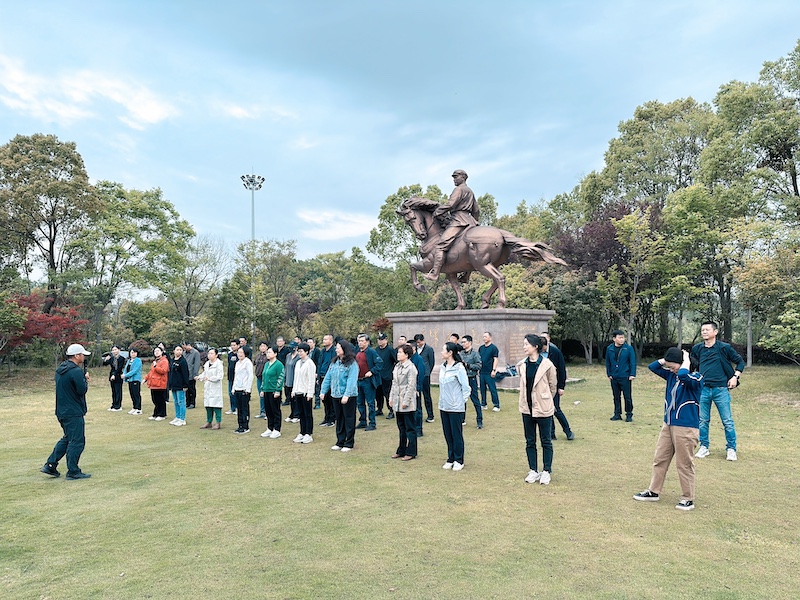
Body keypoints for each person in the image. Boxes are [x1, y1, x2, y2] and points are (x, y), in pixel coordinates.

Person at [634, 348, 703, 510]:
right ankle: (653, 491)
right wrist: (666, 360)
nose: (671, 370)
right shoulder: (672, 375)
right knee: (660, 458)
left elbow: (684, 376)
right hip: (668, 424)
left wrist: (686, 360)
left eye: (673, 366)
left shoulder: (697, 378)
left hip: (686, 428)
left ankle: (688, 498)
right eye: (669, 367)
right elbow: (653, 367)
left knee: (684, 464)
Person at [690, 321, 745, 461]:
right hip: (703, 389)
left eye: (707, 330)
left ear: (715, 332)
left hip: (721, 389)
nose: (704, 332)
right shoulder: (697, 349)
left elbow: (740, 362)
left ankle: (731, 449)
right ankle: (704, 447)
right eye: (702, 330)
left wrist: (734, 377)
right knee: (702, 420)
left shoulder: (724, 348)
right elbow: (692, 365)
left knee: (727, 421)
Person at [41, 343, 92, 480]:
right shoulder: (75, 371)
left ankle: (51, 464)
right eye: (82, 354)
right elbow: (81, 390)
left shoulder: (60, 370)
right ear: (76, 355)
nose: (83, 357)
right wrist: (85, 380)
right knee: (77, 441)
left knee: (68, 438)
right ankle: (73, 471)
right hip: (73, 411)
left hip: (62, 410)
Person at [423, 169, 480, 281]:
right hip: (470, 221)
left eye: (456, 177)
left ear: (463, 177)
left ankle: (435, 274)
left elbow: (450, 204)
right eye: (453, 177)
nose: (454, 179)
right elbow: (476, 210)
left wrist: (438, 211)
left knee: (441, 245)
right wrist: (474, 221)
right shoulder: (470, 191)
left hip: (458, 221)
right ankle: (466, 276)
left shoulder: (458, 189)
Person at [518, 334, 557, 485]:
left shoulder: (547, 364)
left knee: (546, 441)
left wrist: (544, 398)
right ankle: (533, 470)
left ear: (535, 346)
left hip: (543, 408)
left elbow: (553, 386)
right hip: (527, 408)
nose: (524, 347)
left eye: (526, 344)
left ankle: (546, 471)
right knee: (530, 441)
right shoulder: (522, 364)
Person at [320, 340, 359, 452]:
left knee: (349, 418)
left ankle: (349, 442)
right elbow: (328, 377)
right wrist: (323, 391)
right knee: (339, 418)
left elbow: (352, 380)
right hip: (335, 395)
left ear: (344, 349)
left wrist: (346, 395)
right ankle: (340, 441)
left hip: (349, 396)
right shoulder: (334, 362)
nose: (336, 349)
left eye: (338, 348)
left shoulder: (352, 363)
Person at [439, 342, 470, 470]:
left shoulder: (459, 368)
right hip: (443, 406)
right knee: (448, 433)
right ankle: (450, 458)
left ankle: (459, 459)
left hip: (456, 407)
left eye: (443, 350)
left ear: (450, 352)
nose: (441, 352)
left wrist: (459, 402)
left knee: (456, 434)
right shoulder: (442, 367)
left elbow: (466, 388)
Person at [541, 332, 574, 440]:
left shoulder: (555, 351)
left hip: (554, 386)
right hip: (543, 386)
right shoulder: (538, 353)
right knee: (547, 410)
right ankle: (551, 433)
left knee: (556, 409)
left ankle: (568, 431)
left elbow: (561, 369)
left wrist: (561, 386)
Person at [389, 344, 418, 461]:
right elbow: (394, 383)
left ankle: (411, 451)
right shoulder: (397, 366)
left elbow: (411, 386)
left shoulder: (411, 368)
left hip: (407, 402)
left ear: (406, 354)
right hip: (397, 401)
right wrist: (391, 398)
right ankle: (401, 450)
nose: (398, 354)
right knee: (401, 427)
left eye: (400, 352)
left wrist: (406, 401)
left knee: (409, 428)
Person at [606, 329, 637, 422]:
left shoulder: (628, 348)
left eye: (623, 337)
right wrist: (609, 374)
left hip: (625, 376)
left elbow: (633, 362)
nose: (622, 339)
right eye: (620, 338)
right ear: (614, 339)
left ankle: (629, 414)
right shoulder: (609, 348)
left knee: (627, 396)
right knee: (616, 396)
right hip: (614, 376)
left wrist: (632, 374)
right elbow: (608, 362)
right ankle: (617, 414)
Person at [355, 333, 383, 431]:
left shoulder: (371, 352)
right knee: (360, 402)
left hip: (368, 381)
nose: (360, 343)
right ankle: (362, 421)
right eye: (359, 341)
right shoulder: (357, 352)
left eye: (362, 341)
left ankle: (372, 423)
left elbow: (379, 363)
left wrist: (372, 371)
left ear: (367, 342)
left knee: (370, 402)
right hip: (359, 380)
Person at [291, 342, 317, 444]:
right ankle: (302, 432)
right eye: (298, 351)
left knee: (307, 413)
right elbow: (296, 378)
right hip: (298, 391)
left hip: (306, 392)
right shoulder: (298, 363)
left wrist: (310, 393)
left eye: (301, 351)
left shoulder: (310, 363)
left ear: (306, 352)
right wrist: (294, 390)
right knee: (300, 413)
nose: (299, 353)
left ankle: (308, 433)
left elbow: (311, 379)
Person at [260, 346, 285, 438]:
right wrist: (262, 389)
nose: (268, 354)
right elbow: (264, 377)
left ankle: (277, 429)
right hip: (266, 390)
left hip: (274, 391)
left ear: (275, 354)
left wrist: (278, 390)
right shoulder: (267, 364)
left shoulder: (279, 365)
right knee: (268, 410)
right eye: (267, 352)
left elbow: (281, 377)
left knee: (275, 410)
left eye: (270, 352)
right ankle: (270, 428)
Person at [459, 335, 483, 429]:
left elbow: (479, 366)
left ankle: (479, 421)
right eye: (462, 342)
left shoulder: (475, 354)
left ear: (469, 342)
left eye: (464, 342)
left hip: (471, 378)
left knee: (475, 400)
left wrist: (468, 365)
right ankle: (462, 419)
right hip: (462, 379)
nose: (463, 344)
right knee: (462, 400)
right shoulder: (461, 354)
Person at [197, 347, 224, 429]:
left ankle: (218, 422)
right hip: (208, 387)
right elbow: (205, 373)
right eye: (209, 353)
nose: (210, 355)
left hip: (215, 387)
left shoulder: (219, 364)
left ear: (216, 355)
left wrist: (210, 378)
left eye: (212, 353)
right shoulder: (207, 364)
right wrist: (199, 377)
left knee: (216, 405)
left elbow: (219, 376)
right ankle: (209, 422)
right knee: (208, 405)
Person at [414, 334, 436, 422]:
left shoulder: (429, 349)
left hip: (425, 375)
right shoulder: (415, 349)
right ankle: (418, 414)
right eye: (417, 342)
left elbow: (431, 362)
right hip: (416, 375)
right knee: (417, 395)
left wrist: (427, 372)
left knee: (427, 396)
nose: (418, 344)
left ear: (423, 341)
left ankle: (430, 415)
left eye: (419, 342)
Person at [375, 333, 397, 419]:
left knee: (388, 394)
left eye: (382, 340)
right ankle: (379, 408)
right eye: (379, 340)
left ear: (386, 340)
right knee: (378, 394)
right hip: (378, 376)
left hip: (387, 376)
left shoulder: (390, 349)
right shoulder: (376, 350)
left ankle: (391, 410)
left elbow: (396, 361)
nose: (380, 341)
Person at [232, 347, 254, 434]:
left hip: (244, 389)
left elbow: (250, 376)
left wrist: (248, 389)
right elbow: (236, 376)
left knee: (244, 408)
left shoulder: (247, 362)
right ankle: (240, 425)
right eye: (238, 352)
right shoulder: (237, 363)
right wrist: (233, 388)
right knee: (239, 408)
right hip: (237, 388)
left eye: (241, 352)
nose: (239, 354)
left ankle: (245, 426)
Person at [317, 334, 337, 427]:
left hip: (330, 378)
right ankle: (326, 417)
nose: (324, 341)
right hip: (321, 377)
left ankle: (332, 419)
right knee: (324, 398)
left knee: (330, 398)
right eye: (323, 339)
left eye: (326, 339)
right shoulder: (322, 351)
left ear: (331, 341)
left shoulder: (334, 351)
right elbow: (319, 363)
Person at [145, 346, 169, 421]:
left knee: (160, 399)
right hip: (153, 383)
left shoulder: (164, 361)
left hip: (160, 383)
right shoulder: (156, 361)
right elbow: (151, 372)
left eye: (158, 351)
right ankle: (156, 413)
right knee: (155, 399)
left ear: (162, 352)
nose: (156, 352)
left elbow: (164, 371)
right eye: (155, 351)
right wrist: (145, 379)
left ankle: (162, 414)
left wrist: (156, 366)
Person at [168, 346, 190, 426]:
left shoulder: (183, 361)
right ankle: (177, 417)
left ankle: (182, 418)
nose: (179, 351)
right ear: (174, 351)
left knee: (181, 402)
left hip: (181, 385)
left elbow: (185, 373)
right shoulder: (172, 360)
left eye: (180, 350)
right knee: (176, 402)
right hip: (174, 385)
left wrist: (185, 385)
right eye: (177, 350)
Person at [408, 344, 427, 438]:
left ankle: (419, 429)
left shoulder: (418, 359)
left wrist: (418, 388)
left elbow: (421, 373)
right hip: (408, 388)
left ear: (413, 349)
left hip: (416, 388)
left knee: (417, 409)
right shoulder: (408, 359)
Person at [479, 332, 500, 411]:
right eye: (483, 336)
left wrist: (494, 370)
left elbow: (496, 359)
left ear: (490, 338)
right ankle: (484, 404)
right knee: (482, 389)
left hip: (489, 372)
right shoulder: (481, 348)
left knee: (492, 389)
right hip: (482, 372)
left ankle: (496, 405)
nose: (484, 338)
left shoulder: (493, 348)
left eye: (486, 336)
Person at [102, 345, 127, 411]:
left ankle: (118, 406)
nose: (114, 351)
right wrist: (105, 359)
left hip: (118, 375)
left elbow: (119, 368)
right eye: (113, 350)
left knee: (118, 390)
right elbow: (104, 364)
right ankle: (114, 405)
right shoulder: (112, 358)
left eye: (115, 349)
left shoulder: (121, 358)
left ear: (119, 350)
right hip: (112, 375)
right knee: (113, 391)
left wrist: (114, 375)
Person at [121, 347, 142, 415]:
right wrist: (123, 374)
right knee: (132, 394)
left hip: (136, 379)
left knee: (136, 394)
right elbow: (126, 368)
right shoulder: (129, 360)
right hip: (130, 380)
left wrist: (126, 375)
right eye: (132, 352)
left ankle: (138, 409)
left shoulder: (138, 360)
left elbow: (134, 371)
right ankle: (134, 407)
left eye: (134, 352)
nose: (133, 354)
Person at [284, 342, 300, 418]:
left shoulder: (298, 357)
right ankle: (292, 413)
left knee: (296, 399)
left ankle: (297, 415)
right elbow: (286, 367)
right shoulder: (288, 356)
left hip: (295, 381)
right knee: (290, 398)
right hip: (288, 380)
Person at [253, 341, 269, 419]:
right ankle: (262, 411)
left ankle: (267, 412)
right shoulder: (258, 356)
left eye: (264, 346)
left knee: (266, 395)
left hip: (266, 378)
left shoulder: (268, 356)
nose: (262, 348)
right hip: (259, 378)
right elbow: (254, 364)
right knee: (261, 395)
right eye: (261, 346)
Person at [183, 342, 201, 409]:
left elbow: (196, 364)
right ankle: (187, 402)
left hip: (192, 374)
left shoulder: (195, 353)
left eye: (185, 346)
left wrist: (195, 375)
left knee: (192, 389)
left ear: (189, 345)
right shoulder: (184, 353)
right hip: (185, 375)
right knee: (186, 390)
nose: (184, 348)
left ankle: (192, 403)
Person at [225, 340, 239, 415]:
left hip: (237, 377)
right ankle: (232, 408)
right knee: (230, 393)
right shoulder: (230, 354)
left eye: (234, 345)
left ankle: (237, 408)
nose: (233, 346)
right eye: (232, 345)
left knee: (236, 393)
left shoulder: (240, 354)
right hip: (230, 377)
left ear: (238, 345)